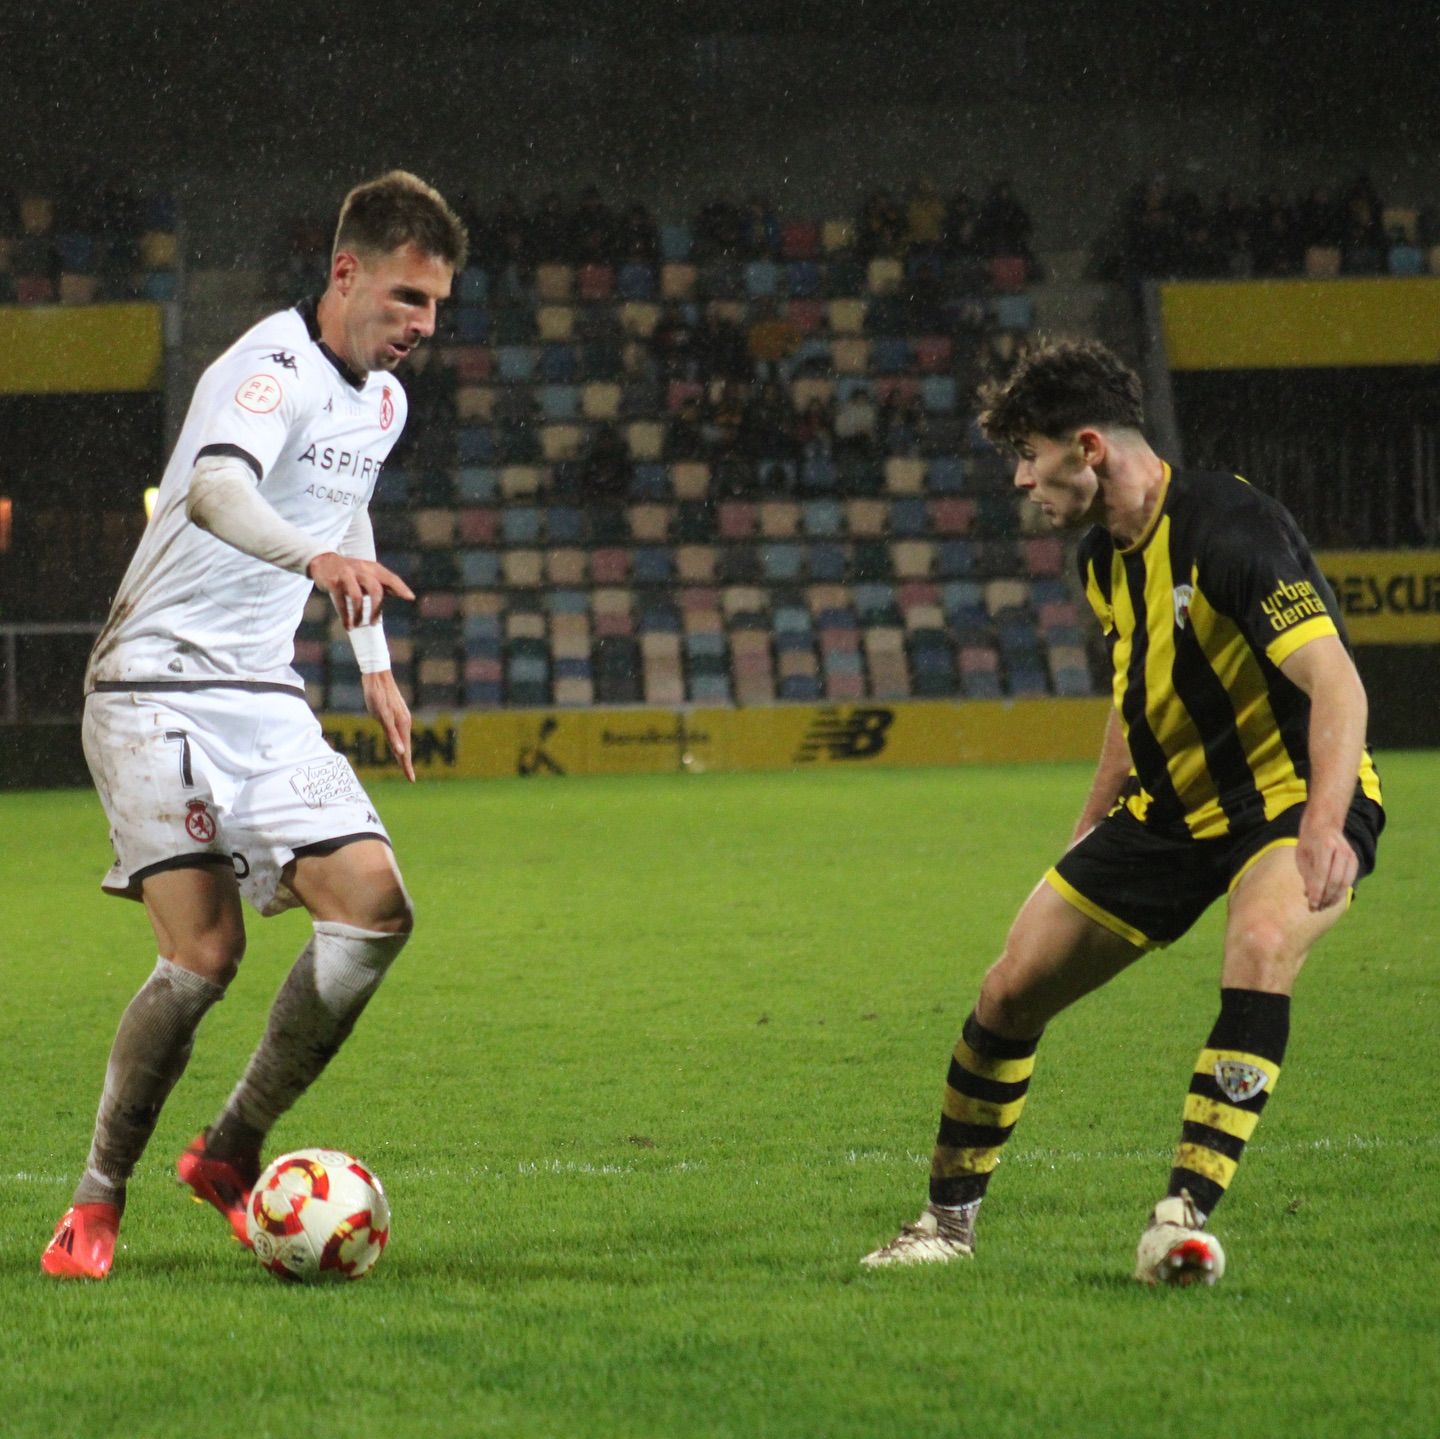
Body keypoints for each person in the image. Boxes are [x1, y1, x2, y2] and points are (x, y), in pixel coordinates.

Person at [862, 338, 1383, 1286]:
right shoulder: (1104, 558)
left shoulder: (1231, 530)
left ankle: (1180, 1217)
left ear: (1088, 446)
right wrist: (1090, 823)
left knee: (1261, 944)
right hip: (1168, 814)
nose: (1022, 478)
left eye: (1029, 453)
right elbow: (1134, 693)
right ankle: (944, 1222)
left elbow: (1339, 685)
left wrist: (1325, 823)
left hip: (1284, 801)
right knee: (1010, 988)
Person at [41, 170, 468, 1280]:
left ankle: (229, 1151)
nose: (423, 326)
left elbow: (346, 488)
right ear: (346, 272)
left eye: (434, 307)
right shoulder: (264, 368)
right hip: (152, 682)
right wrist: (317, 561)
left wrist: (374, 663)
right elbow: (219, 494)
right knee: (207, 952)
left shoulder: (384, 396)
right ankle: (94, 1199)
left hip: (262, 690)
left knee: (377, 909)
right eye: (407, 300)